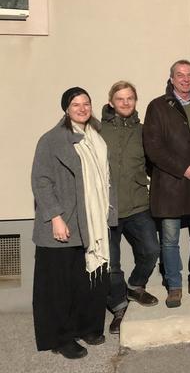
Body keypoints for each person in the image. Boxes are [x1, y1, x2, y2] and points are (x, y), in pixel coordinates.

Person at [31, 87, 117, 359]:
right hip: (64, 221)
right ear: (66, 109)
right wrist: (55, 216)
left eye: (86, 103)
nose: (82, 108)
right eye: (75, 104)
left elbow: (105, 179)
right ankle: (61, 337)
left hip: (92, 221)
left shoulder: (97, 138)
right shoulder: (52, 139)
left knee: (90, 281)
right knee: (59, 286)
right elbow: (41, 181)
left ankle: (88, 327)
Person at [143, 60, 190, 308]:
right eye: (180, 75)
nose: (185, 79)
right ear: (172, 79)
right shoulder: (157, 107)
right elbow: (153, 148)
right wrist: (182, 168)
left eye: (189, 75)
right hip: (170, 185)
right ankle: (174, 286)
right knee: (170, 240)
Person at [101, 81, 161, 335]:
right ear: (111, 101)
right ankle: (118, 307)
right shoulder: (97, 129)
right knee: (112, 263)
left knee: (150, 249)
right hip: (107, 206)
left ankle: (136, 286)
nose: (125, 103)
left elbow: (154, 162)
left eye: (130, 99)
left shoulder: (143, 130)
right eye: (120, 99)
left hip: (138, 203)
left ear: (136, 101)